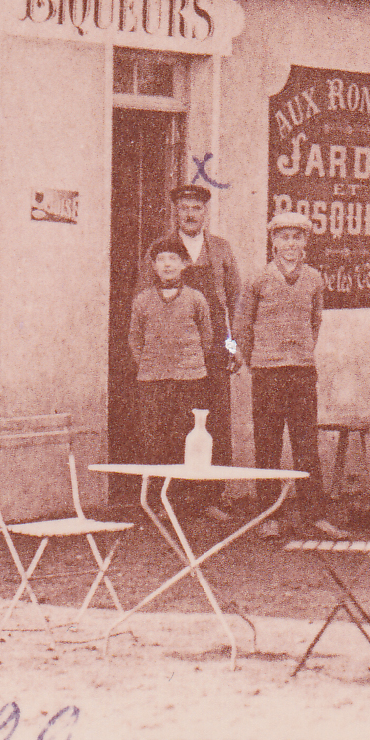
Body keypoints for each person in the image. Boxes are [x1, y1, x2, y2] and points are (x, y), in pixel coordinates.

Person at [141, 183, 245, 518]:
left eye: (196, 208)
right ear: (175, 212)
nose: (189, 214)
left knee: (212, 419)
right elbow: (144, 301)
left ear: (205, 212)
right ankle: (167, 499)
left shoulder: (221, 249)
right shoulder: (161, 248)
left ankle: (210, 499)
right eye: (184, 207)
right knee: (170, 421)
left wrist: (233, 346)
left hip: (214, 344)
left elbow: (231, 304)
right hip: (172, 345)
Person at [234, 212, 326, 539]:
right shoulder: (257, 278)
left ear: (305, 242)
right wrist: (251, 359)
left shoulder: (314, 278)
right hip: (267, 372)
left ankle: (314, 515)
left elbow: (315, 321)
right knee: (268, 444)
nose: (290, 244)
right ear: (273, 241)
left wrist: (299, 352)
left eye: (297, 238)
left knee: (306, 443)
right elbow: (241, 324)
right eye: (284, 237)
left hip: (301, 371)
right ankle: (269, 516)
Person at [127, 238, 219, 512]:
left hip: (189, 378)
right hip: (153, 380)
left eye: (173, 259)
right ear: (153, 266)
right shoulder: (142, 301)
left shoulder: (196, 298)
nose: (167, 264)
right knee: (156, 439)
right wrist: (150, 364)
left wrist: (188, 363)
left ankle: (192, 501)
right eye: (161, 260)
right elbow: (135, 338)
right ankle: (158, 502)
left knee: (188, 437)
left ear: (185, 264)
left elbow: (207, 336)